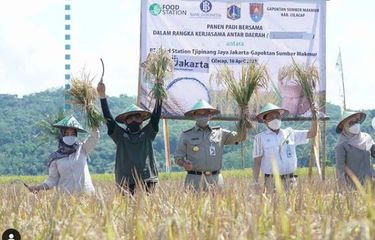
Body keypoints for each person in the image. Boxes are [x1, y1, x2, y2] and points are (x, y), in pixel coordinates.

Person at [97, 81, 161, 195]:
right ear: (125, 122)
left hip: (147, 180)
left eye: (137, 117)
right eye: (130, 118)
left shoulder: (148, 133)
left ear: (142, 120)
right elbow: (108, 119)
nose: (134, 120)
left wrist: (159, 90)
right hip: (125, 181)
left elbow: (156, 116)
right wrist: (102, 96)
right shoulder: (120, 136)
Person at [174, 99, 247, 192]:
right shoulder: (186, 135)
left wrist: (244, 120)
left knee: (218, 205)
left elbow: (241, 137)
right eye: (199, 114)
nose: (202, 117)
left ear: (210, 116)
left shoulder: (220, 133)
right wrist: (184, 164)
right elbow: (178, 157)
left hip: (215, 178)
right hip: (194, 179)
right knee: (194, 205)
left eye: (205, 114)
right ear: (194, 116)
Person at [252, 103, 317, 193]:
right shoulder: (260, 138)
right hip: (272, 181)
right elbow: (257, 163)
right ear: (265, 121)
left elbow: (312, 133)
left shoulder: (290, 133)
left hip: (290, 180)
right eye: (271, 117)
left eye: (277, 116)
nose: (275, 119)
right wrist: (255, 182)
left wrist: (314, 117)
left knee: (293, 205)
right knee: (274, 205)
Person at [28, 116, 99, 194]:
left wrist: (94, 122)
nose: (70, 136)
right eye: (67, 134)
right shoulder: (56, 158)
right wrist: (38, 187)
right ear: (62, 136)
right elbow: (52, 180)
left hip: (86, 195)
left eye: (72, 134)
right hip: (66, 198)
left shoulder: (82, 149)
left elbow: (94, 137)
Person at [335, 111, 375, 188]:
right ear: (343, 125)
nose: (355, 124)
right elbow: (340, 170)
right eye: (352, 122)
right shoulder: (341, 145)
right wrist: (344, 191)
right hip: (354, 188)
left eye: (357, 121)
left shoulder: (367, 138)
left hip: (372, 185)